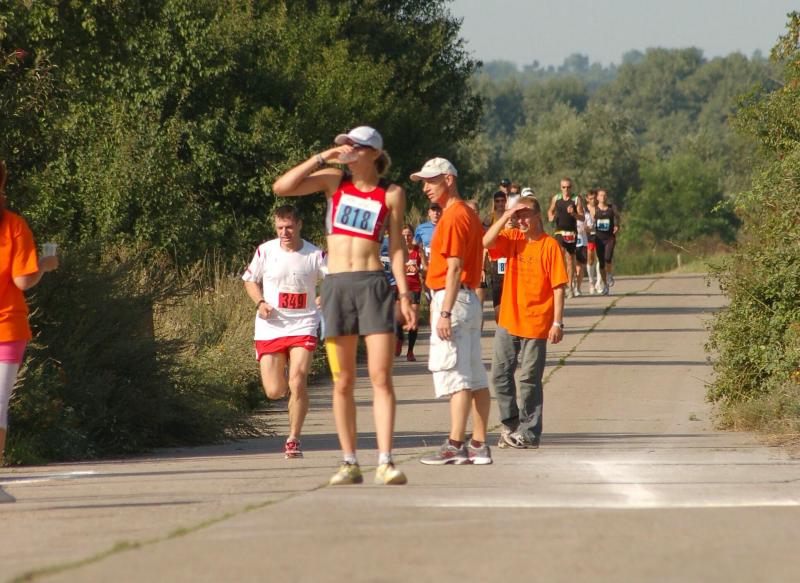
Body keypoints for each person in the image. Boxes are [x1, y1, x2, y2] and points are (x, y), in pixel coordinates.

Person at [272, 126, 415, 486]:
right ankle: (349, 461)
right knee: (343, 381)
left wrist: (405, 295)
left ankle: (385, 461)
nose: (347, 151)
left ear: (373, 153)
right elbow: (282, 187)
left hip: (373, 284)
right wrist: (323, 157)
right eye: (344, 146)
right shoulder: (334, 181)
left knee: (380, 377)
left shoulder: (392, 193)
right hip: (337, 285)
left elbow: (397, 247)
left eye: (354, 147)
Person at [411, 158, 492, 466]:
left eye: (431, 181)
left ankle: (455, 445)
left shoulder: (454, 216)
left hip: (452, 299)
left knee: (456, 375)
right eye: (423, 182)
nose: (426, 188)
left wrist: (444, 313)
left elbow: (454, 266)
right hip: (467, 299)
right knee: (475, 377)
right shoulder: (468, 213)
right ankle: (478, 444)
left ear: (448, 179)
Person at [242, 205, 326, 459]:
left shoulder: (315, 254)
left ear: (299, 224)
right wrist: (260, 302)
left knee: (297, 380)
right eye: (280, 227)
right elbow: (249, 280)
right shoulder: (265, 251)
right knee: (274, 391)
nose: (284, 232)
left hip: (303, 323)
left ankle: (293, 439)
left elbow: (334, 278)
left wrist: (325, 296)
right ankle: (291, 392)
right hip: (271, 325)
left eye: (289, 227)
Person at [483, 193, 567, 449]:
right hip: (509, 319)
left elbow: (558, 287)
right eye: (517, 216)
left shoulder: (549, 245)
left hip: (537, 322)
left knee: (529, 379)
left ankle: (530, 432)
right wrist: (506, 215)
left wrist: (557, 323)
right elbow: (486, 242)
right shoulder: (512, 238)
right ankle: (510, 425)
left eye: (524, 215)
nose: (520, 220)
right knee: (499, 375)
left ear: (538, 215)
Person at [0, 161, 59, 503]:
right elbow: (23, 280)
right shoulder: (13, 226)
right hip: (7, 327)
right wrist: (44, 265)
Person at [547, 177, 584, 298]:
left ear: (571, 187)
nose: (566, 189)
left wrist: (574, 214)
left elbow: (582, 217)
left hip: (571, 233)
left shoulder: (576, 199)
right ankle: (561, 284)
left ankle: (570, 286)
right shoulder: (556, 198)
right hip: (559, 231)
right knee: (560, 255)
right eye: (564, 187)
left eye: (568, 187)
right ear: (560, 187)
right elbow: (550, 210)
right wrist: (551, 216)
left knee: (570, 259)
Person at [397, 224, 425, 361]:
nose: (406, 238)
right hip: (399, 287)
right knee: (399, 317)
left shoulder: (418, 250)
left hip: (414, 287)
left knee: (413, 320)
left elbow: (426, 269)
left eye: (409, 235)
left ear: (413, 236)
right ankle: (399, 339)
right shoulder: (396, 250)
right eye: (403, 235)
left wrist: (419, 269)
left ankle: (410, 351)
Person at [594, 189, 621, 295]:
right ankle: (605, 285)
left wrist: (617, 225)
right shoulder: (595, 209)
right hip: (599, 239)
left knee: (608, 258)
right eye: (601, 195)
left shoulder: (612, 207)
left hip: (609, 238)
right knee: (601, 263)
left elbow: (617, 217)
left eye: (605, 195)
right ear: (597, 197)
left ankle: (609, 274)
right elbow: (590, 221)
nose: (603, 197)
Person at [489, 190, 508, 320]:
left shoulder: (511, 216)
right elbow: (484, 239)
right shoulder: (489, 218)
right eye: (498, 201)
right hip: (496, 260)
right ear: (494, 202)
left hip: (510, 258)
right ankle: (500, 323)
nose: (500, 203)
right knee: (498, 292)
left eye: (502, 201)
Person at [584, 189, 600, 294]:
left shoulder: (600, 208)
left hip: (600, 235)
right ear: (587, 199)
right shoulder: (584, 209)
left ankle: (599, 282)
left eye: (594, 198)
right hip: (589, 237)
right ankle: (591, 282)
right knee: (590, 259)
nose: (593, 200)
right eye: (590, 198)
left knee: (600, 259)